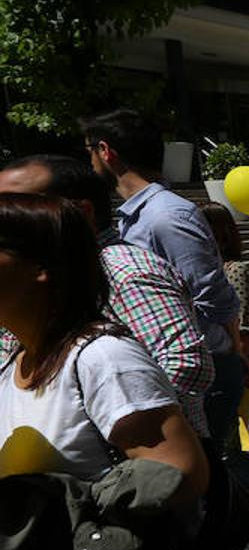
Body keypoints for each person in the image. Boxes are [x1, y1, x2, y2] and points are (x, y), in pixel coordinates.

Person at [0, 194, 213, 550]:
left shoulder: (100, 358)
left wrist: (58, 510)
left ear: (42, 269)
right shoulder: (14, 363)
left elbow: (183, 473)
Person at [0, 155, 215, 439]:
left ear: (82, 212)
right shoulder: (44, 278)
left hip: (133, 467)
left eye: (20, 205)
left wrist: (93, 422)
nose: (7, 213)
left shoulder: (123, 270)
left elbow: (187, 365)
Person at [82, 108, 244, 456]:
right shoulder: (137, 215)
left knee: (206, 466)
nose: (88, 161)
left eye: (89, 150)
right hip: (193, 362)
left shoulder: (166, 216)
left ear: (106, 151)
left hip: (201, 366)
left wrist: (232, 350)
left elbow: (211, 293)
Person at [200, 202, 249, 454]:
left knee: (234, 424)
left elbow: (243, 325)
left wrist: (244, 363)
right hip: (222, 357)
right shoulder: (206, 269)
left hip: (238, 356)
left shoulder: (234, 270)